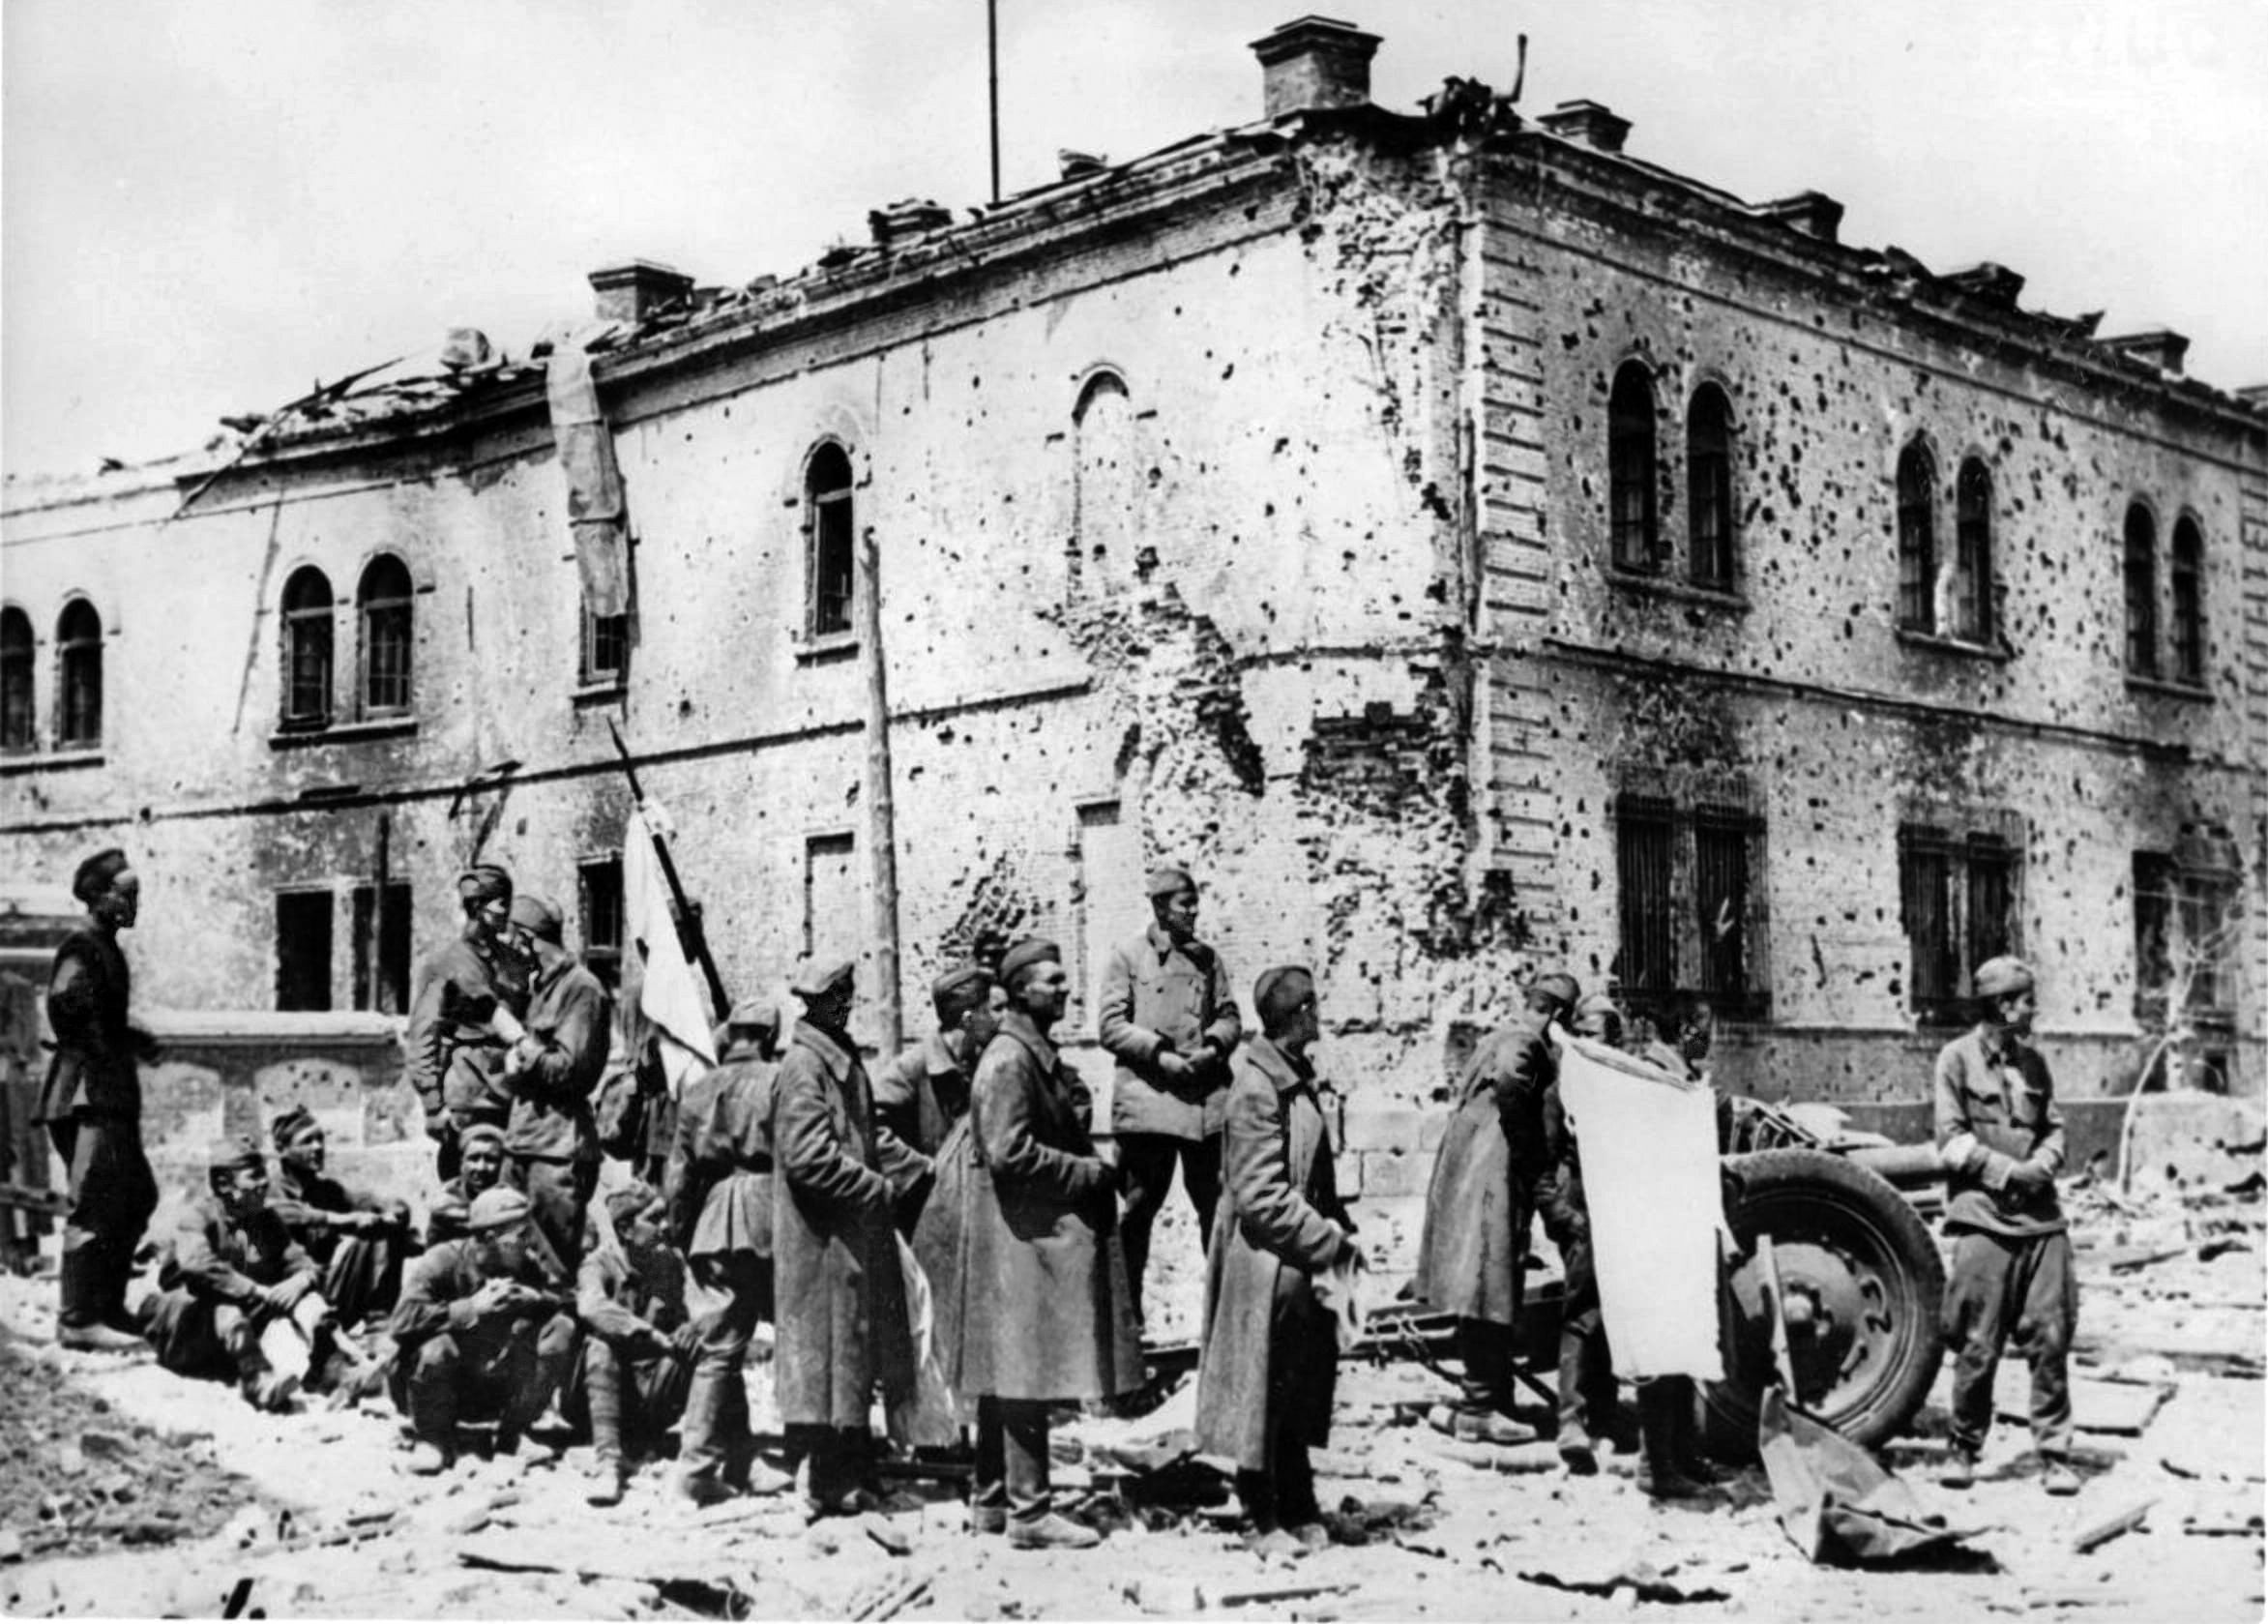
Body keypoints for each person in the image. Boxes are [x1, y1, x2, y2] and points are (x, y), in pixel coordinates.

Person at [951, 938, 1143, 1550]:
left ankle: (990, 1502)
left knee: (1004, 1367)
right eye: (1052, 981)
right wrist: (1089, 1173)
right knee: (1024, 1366)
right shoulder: (1010, 1060)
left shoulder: (1027, 1053)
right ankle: (1030, 1513)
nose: (1065, 989)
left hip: (1017, 1232)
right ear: (1019, 991)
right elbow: (1010, 1154)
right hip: (1020, 1236)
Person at [1193, 966, 1358, 1557]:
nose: (1321, 1015)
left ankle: (1298, 1500)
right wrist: (1330, 1242)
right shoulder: (1257, 1086)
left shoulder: (1293, 1076)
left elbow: (1313, 1173)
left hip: (1298, 1256)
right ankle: (1257, 1517)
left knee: (1293, 1389)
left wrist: (1340, 1231)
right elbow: (1260, 1196)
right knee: (1261, 1393)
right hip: (1264, 1262)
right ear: (1302, 1013)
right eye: (1314, 1005)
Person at [1411, 970, 1581, 1445]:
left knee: (1484, 1287)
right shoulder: (1524, 1044)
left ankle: (1489, 1398)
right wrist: (1535, 1166)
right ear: (1559, 1016)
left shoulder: (1496, 1037)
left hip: (1474, 1177)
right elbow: (1511, 1084)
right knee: (1490, 1287)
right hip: (1493, 1180)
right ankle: (1480, 1407)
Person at [771, 959, 913, 1518]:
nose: (846, 1004)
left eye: (848, 994)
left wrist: (909, 1171)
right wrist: (874, 1188)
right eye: (837, 996)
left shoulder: (840, 1058)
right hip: (822, 1240)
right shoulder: (806, 1066)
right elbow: (808, 1158)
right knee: (830, 1361)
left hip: (848, 1234)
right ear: (813, 1002)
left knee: (854, 1355)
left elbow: (864, 1133)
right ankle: (828, 1482)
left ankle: (858, 1471)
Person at [1934, 956, 2079, 1497]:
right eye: (2025, 1001)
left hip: (2041, 1220)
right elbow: (1950, 1140)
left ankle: (2055, 1454)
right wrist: (2006, 1173)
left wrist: (2039, 1167)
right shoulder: (1955, 1059)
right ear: (2001, 1006)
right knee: (1977, 1342)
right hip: (1982, 1219)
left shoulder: (2036, 1064)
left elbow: (2055, 1130)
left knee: (2051, 1336)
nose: (2032, 1010)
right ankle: (1963, 1446)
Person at [1098, 865, 1242, 1328]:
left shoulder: (1208, 959)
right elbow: (1110, 1026)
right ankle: (1126, 1319)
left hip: (1204, 1107)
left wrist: (1215, 1045)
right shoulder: (1127, 957)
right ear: (1160, 907)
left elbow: (1229, 1014)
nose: (1194, 912)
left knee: (1217, 1210)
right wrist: (1161, 1057)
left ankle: (1222, 1312)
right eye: (1186, 904)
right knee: (1137, 1211)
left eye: (1195, 902)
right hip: (1149, 1103)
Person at [141, 1137, 373, 1410]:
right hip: (186, 1327)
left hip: (243, 1329)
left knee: (308, 1301)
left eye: (264, 1174)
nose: (264, 1183)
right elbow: (198, 1266)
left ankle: (332, 1370)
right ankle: (259, 1382)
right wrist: (257, 1291)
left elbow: (299, 1260)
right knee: (227, 1312)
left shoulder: (264, 1219)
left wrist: (301, 1280)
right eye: (254, 1177)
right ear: (223, 1184)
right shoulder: (196, 1217)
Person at [36, 847, 162, 1351]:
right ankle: (78, 1318)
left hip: (107, 1093)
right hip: (87, 1095)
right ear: (98, 897)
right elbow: (65, 1004)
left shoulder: (105, 946)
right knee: (95, 1204)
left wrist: (129, 1038)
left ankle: (106, 1306)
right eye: (125, 896)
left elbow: (98, 1015)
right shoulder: (82, 945)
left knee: (135, 1198)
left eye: (136, 896)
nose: (134, 905)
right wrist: (108, 1046)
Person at [668, 999, 790, 1505]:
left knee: (719, 1349)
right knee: (798, 1337)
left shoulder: (697, 1089)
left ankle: (703, 1465)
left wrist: (683, 1234)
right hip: (775, 1214)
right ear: (768, 1036)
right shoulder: (781, 1081)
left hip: (717, 1218)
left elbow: (678, 1176)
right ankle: (809, 1461)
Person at [388, 1186, 577, 1476]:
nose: (529, 1243)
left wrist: (537, 1299)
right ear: (490, 1238)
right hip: (435, 1387)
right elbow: (400, 1322)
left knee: (561, 1329)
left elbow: (568, 1298)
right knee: (437, 1346)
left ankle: (512, 1435)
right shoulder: (443, 1260)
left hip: (492, 1387)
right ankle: (433, 1441)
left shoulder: (526, 1264)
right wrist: (471, 1308)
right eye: (520, 1235)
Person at [567, 1182, 701, 1506]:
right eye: (655, 1218)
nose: (665, 1226)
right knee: (601, 1344)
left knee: (706, 1346)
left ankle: (719, 1456)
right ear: (626, 1229)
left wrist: (693, 1327)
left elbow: (705, 1306)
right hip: (596, 1395)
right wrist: (646, 1333)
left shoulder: (671, 1262)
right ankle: (607, 1463)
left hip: (653, 1393)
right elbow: (591, 1306)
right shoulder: (598, 1264)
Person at [499, 894, 610, 1280]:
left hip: (557, 1151)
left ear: (523, 939)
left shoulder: (582, 990)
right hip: (523, 1142)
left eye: (508, 942)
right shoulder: (539, 990)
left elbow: (570, 1072)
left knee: (554, 1265)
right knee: (512, 1258)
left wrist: (519, 1043)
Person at [406, 863, 525, 1180]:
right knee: (462, 1184)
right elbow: (423, 1035)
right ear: (477, 907)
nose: (507, 912)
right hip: (466, 1092)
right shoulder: (444, 962)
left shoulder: (513, 962)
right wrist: (432, 1105)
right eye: (501, 903)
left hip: (512, 1091)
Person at [1545, 994, 1623, 1475]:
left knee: (1615, 1310)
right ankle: (1571, 1421)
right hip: (1582, 1206)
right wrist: (1561, 1215)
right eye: (1594, 1035)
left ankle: (1607, 1412)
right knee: (1582, 1309)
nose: (1603, 1045)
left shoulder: (1624, 1083)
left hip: (1616, 1204)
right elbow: (1543, 1158)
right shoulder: (1563, 1088)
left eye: (1610, 1036)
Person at [871, 966, 1004, 1232]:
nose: (1003, 1019)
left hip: (973, 1212)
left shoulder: (984, 1063)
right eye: (995, 1010)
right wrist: (923, 1173)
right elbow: (869, 1127)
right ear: (968, 1019)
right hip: (923, 1217)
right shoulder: (911, 1069)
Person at [267, 1106, 412, 1330]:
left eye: (320, 1140)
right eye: (306, 1141)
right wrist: (347, 1219)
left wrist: (391, 1210)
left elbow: (367, 1201)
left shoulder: (328, 1190)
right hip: (286, 1296)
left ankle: (379, 1317)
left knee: (378, 1228)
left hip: (328, 1289)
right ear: (282, 1149)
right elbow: (284, 1214)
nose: (318, 1147)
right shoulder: (268, 1192)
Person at [426, 1122, 509, 1247]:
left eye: (491, 1160)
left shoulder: (510, 1197)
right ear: (462, 1163)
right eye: (474, 1159)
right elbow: (433, 1253)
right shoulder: (447, 1200)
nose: (481, 1168)